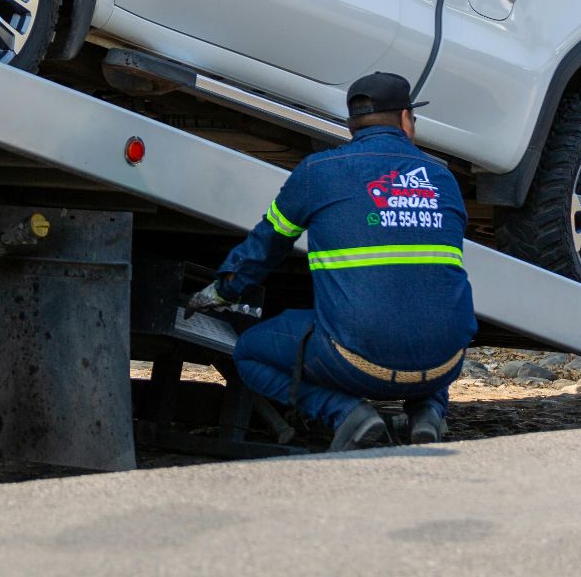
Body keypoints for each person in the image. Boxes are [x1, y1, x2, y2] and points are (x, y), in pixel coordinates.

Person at [187, 71, 476, 450]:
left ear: (351, 125)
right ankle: (428, 414)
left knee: (249, 353)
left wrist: (222, 290)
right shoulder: (443, 179)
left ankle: (348, 414)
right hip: (446, 363)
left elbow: (265, 247)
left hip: (353, 363)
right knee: (427, 321)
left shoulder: (317, 173)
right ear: (406, 119)